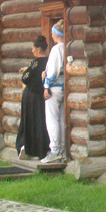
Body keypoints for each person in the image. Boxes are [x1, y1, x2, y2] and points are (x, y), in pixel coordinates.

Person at [16, 35, 50, 160]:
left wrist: (27, 70)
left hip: (32, 97)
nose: (32, 51)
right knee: (42, 122)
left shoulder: (37, 62)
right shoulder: (48, 61)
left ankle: (28, 147)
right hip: (42, 96)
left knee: (30, 121)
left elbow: (25, 78)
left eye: (33, 48)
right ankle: (42, 149)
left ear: (39, 49)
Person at [40, 21, 66, 164]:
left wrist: (46, 86)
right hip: (62, 88)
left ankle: (55, 150)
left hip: (54, 88)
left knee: (51, 119)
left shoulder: (57, 49)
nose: (51, 33)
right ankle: (62, 149)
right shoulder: (66, 48)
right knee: (61, 119)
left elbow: (54, 71)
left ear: (56, 33)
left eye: (52, 31)